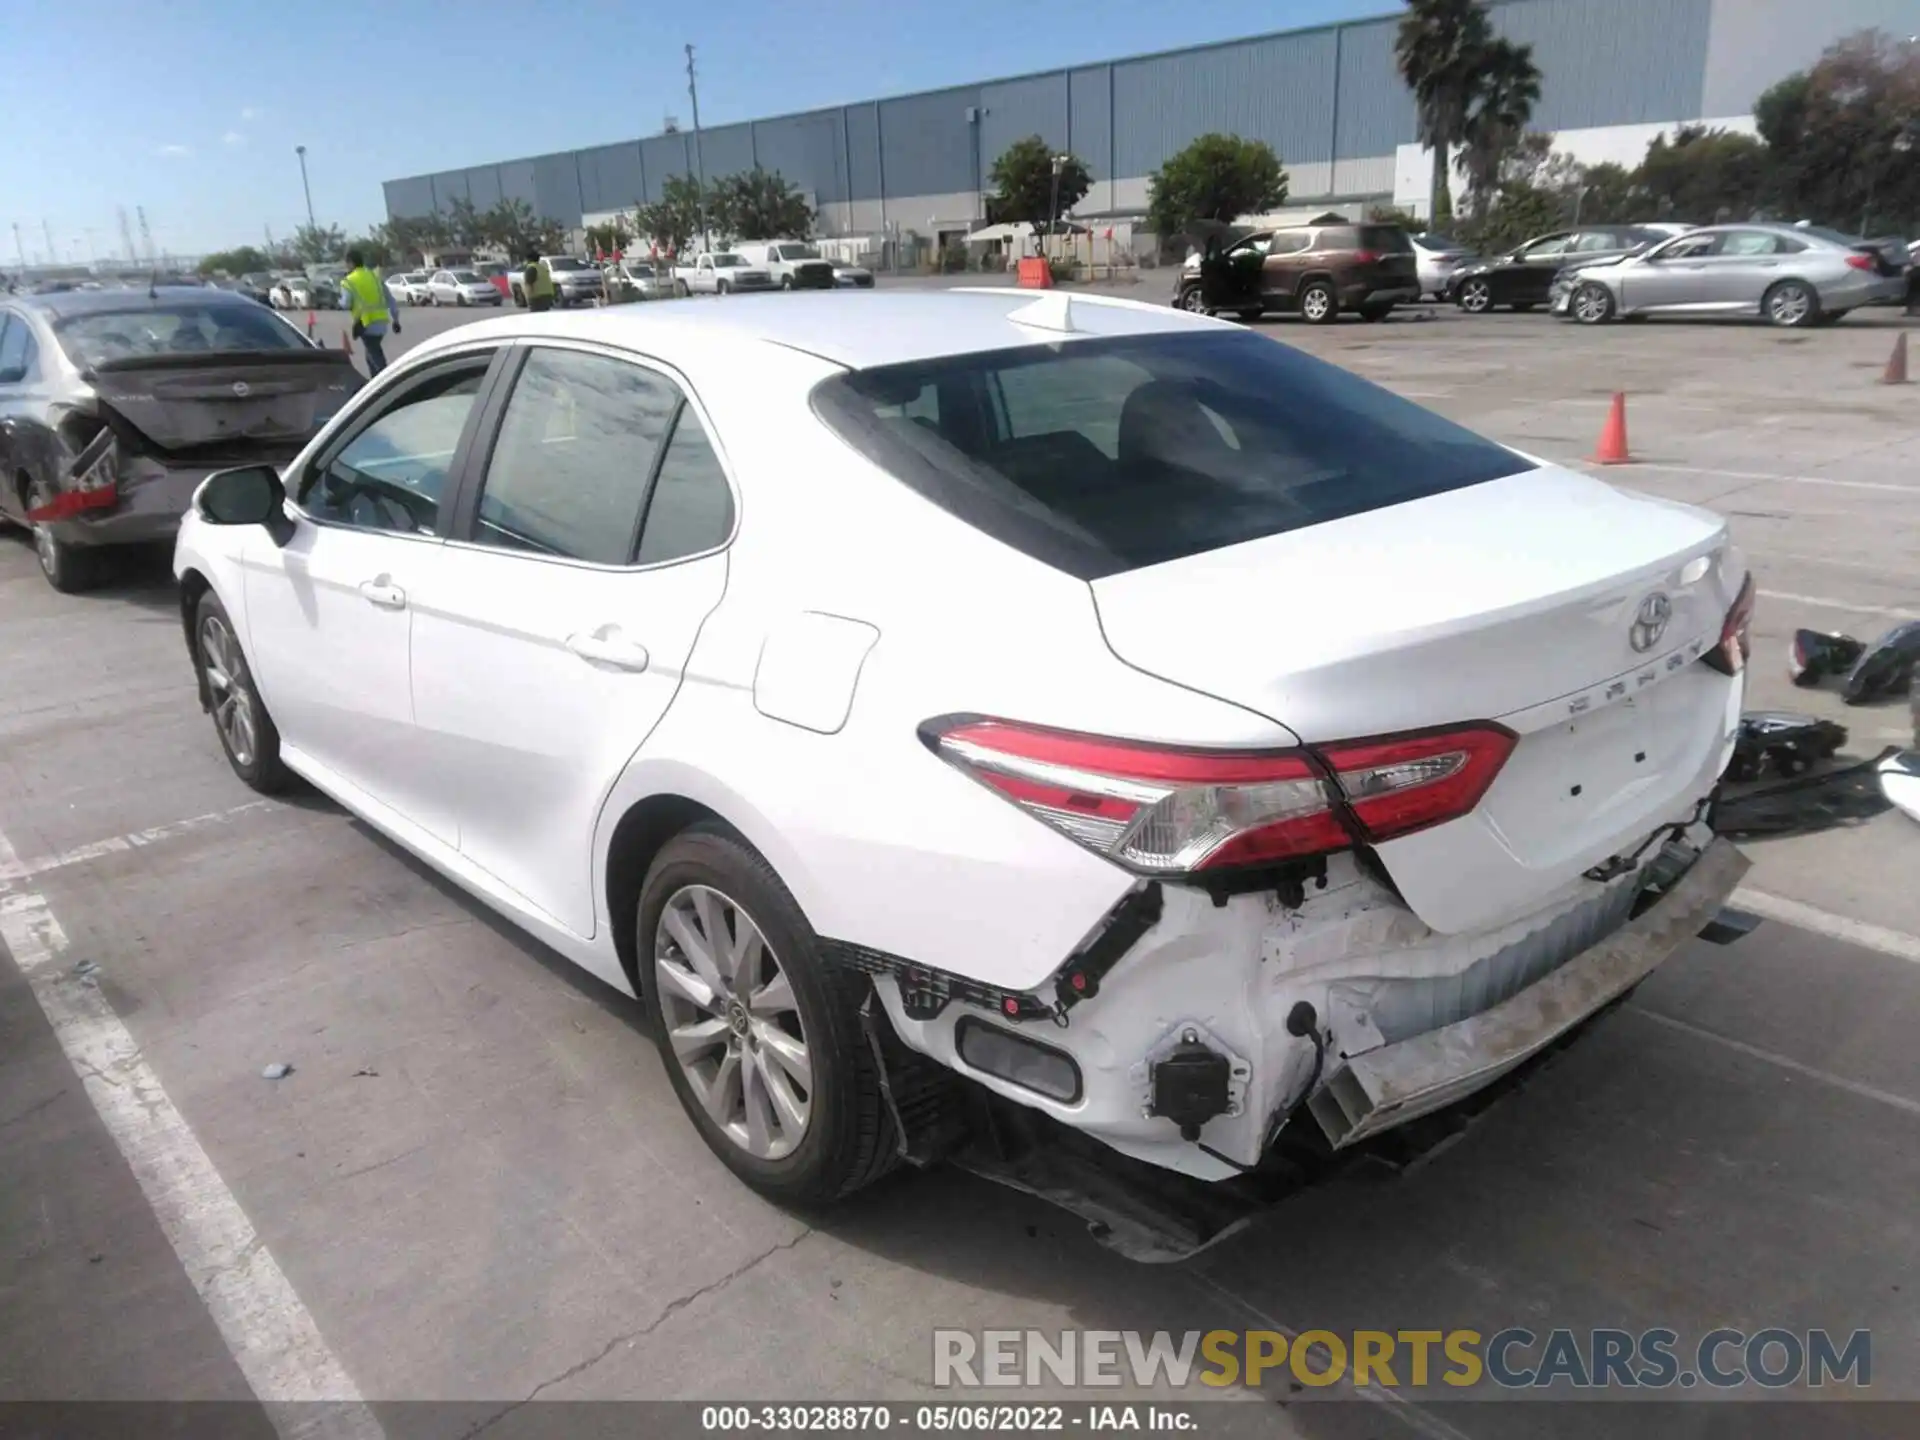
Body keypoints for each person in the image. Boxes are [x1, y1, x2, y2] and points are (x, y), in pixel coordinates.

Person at [340, 248, 400, 377]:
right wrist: (396, 319)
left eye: (346, 263)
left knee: (375, 356)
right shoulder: (375, 276)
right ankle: (374, 383)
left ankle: (387, 381)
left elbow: (345, 304)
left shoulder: (349, 281)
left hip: (365, 324)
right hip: (381, 323)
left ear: (351, 263)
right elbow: (390, 299)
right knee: (370, 355)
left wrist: (339, 301)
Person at [523, 247, 556, 312]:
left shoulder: (531, 268)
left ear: (528, 259)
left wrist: (528, 298)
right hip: (548, 295)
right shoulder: (542, 268)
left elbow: (529, 284)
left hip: (537, 297)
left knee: (536, 317)